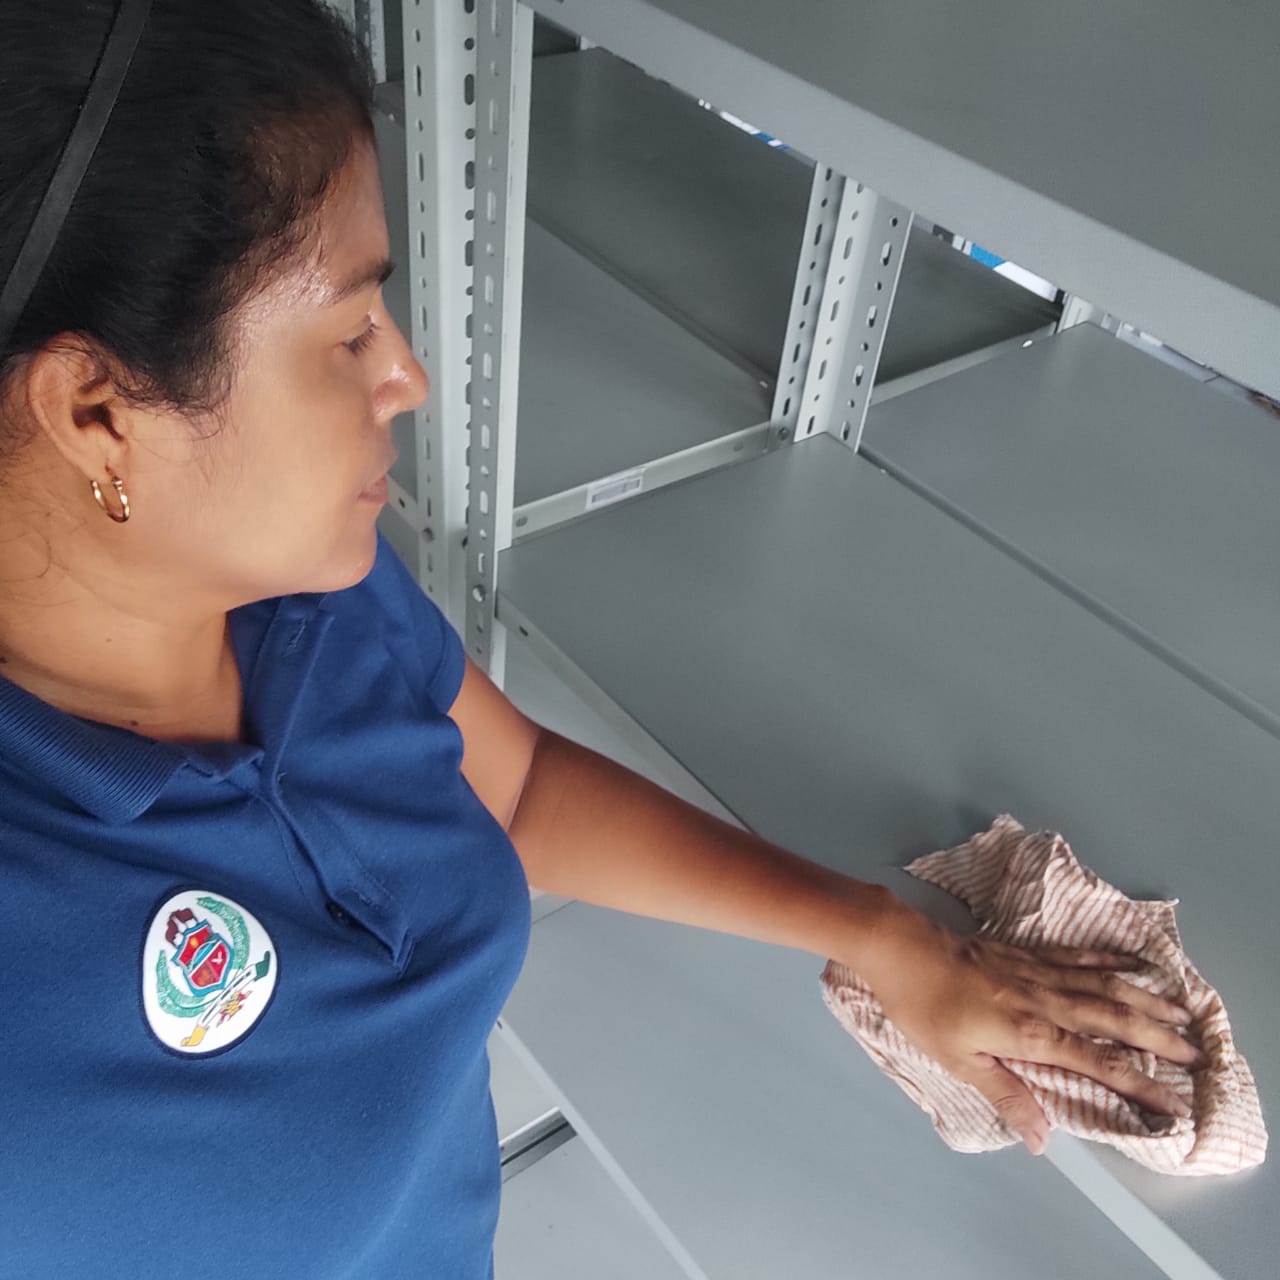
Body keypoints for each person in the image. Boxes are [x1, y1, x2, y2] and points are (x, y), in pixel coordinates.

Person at [0, 2, 1202, 1276]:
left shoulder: (293, 594)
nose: (406, 375)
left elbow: (510, 786)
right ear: (98, 409)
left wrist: (879, 935)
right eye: (350, 332)